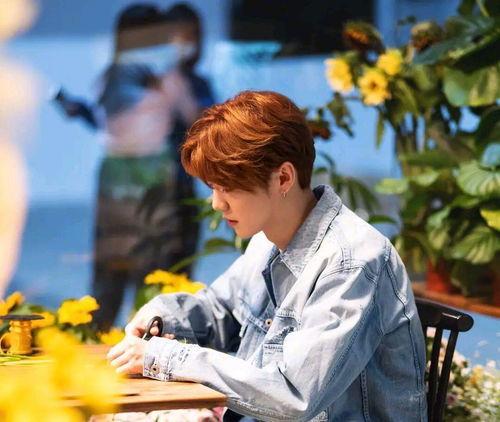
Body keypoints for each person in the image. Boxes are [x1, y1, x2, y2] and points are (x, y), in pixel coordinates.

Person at [107, 91, 427, 421]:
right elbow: (221, 310)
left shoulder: (352, 261)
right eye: (213, 188)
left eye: (227, 187)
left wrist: (165, 358)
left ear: (283, 178)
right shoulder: (267, 241)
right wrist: (162, 318)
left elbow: (293, 395)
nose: (217, 204)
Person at [55, 3, 213, 329]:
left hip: (158, 187)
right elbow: (109, 122)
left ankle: (146, 341)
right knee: (111, 280)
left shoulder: (169, 78)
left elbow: (198, 121)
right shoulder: (122, 77)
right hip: (127, 186)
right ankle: (104, 339)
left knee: (156, 280)